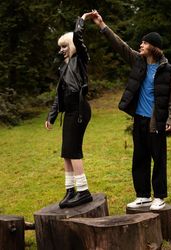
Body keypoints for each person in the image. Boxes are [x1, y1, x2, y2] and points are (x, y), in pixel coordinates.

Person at [91, 11, 171, 210]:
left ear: (154, 47)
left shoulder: (167, 71)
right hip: (139, 119)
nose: (141, 45)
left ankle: (159, 196)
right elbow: (120, 45)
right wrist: (102, 26)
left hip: (156, 121)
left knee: (158, 159)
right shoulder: (137, 61)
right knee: (139, 158)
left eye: (144, 43)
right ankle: (143, 195)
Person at [45, 13, 94, 208]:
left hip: (80, 110)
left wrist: (82, 19)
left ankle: (83, 191)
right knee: (66, 152)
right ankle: (70, 190)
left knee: (74, 151)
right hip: (70, 112)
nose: (62, 50)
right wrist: (52, 115)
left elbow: (78, 37)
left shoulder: (80, 59)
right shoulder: (63, 67)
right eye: (60, 47)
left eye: (65, 46)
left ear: (72, 45)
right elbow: (59, 94)